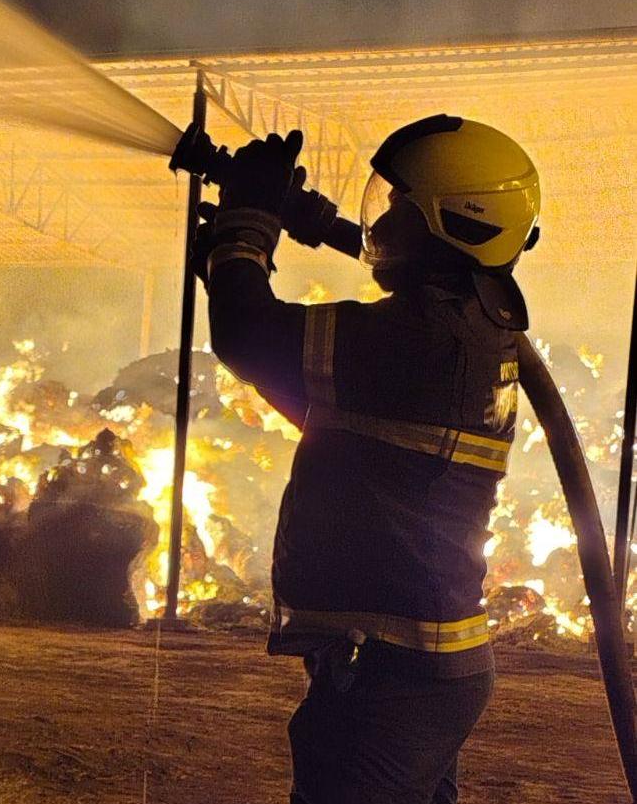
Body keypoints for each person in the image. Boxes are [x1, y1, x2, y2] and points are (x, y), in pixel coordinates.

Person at [193, 115, 541, 804]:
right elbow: (327, 414)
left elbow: (247, 334)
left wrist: (246, 227)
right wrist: (270, 231)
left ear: (450, 223)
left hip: (395, 675)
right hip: (417, 665)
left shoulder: (420, 345)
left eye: (395, 207)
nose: (378, 217)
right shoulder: (469, 327)